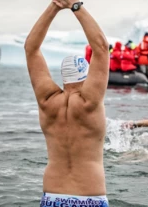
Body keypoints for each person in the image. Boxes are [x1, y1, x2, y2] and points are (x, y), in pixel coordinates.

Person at [24, 0, 110, 206]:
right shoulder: (90, 102)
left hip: (52, 196)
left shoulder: (46, 100)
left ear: (64, 77)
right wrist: (74, 5)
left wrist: (55, 5)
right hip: (90, 196)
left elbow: (31, 48)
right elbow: (101, 48)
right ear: (86, 75)